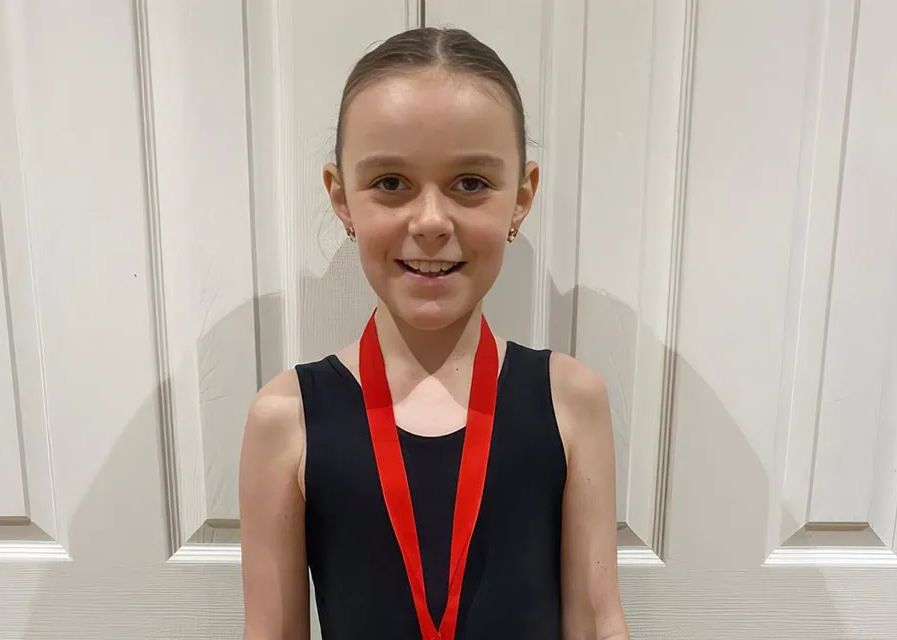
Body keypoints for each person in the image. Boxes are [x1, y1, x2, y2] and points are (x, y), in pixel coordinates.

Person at [238, 26, 629, 640]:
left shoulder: (571, 399)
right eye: (390, 183)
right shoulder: (286, 418)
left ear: (521, 197)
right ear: (341, 198)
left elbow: (598, 620)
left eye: (470, 183)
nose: (430, 222)